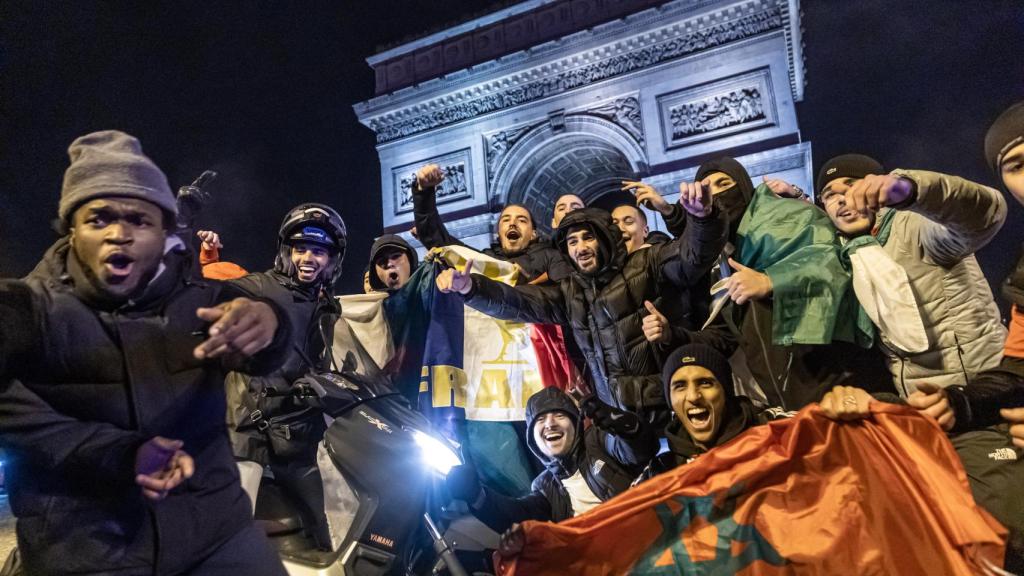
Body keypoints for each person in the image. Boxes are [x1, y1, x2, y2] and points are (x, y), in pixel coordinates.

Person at [0, 130, 290, 575]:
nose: (119, 234)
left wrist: (269, 323)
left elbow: (266, 351)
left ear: (166, 231)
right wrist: (116, 452)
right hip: (86, 547)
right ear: (71, 230)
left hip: (216, 531)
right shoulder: (31, 309)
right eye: (98, 219)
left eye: (139, 220)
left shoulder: (207, 298)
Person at [437, 186, 725, 427]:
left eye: (588, 237)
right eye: (572, 241)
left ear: (606, 238)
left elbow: (693, 258)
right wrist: (471, 288)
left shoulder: (649, 262)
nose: (580, 247)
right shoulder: (570, 292)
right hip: (617, 421)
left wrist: (703, 219)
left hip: (672, 411)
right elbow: (518, 302)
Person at [649, 157, 891, 410]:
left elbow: (832, 264)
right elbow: (725, 334)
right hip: (785, 395)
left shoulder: (796, 215)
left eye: (724, 183)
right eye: (709, 187)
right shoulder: (724, 259)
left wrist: (770, 281)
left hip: (838, 379)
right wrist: (672, 334)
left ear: (744, 186)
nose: (718, 192)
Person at [816, 153, 1007, 395]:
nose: (841, 199)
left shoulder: (916, 226)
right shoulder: (843, 255)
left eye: (852, 185)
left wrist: (910, 190)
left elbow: (984, 215)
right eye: (829, 195)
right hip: (922, 405)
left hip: (986, 389)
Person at [226, 202, 347, 550]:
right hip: (249, 431)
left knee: (325, 530)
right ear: (287, 251)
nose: (309, 258)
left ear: (334, 259)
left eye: (319, 251)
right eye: (301, 249)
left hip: (297, 433)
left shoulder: (328, 305)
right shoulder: (260, 286)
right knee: (230, 535)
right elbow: (208, 292)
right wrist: (184, 237)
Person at [445, 387, 655, 533]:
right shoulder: (544, 486)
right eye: (540, 419)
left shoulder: (598, 441)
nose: (550, 424)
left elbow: (640, 448)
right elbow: (517, 517)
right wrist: (476, 495)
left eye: (559, 415)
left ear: (575, 424)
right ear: (532, 438)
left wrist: (617, 421)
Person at [412, 163, 573, 282]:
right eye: (506, 219)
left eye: (522, 220)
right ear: (498, 233)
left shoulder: (552, 256)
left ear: (533, 234)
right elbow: (440, 241)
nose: (512, 223)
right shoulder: (483, 258)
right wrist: (424, 192)